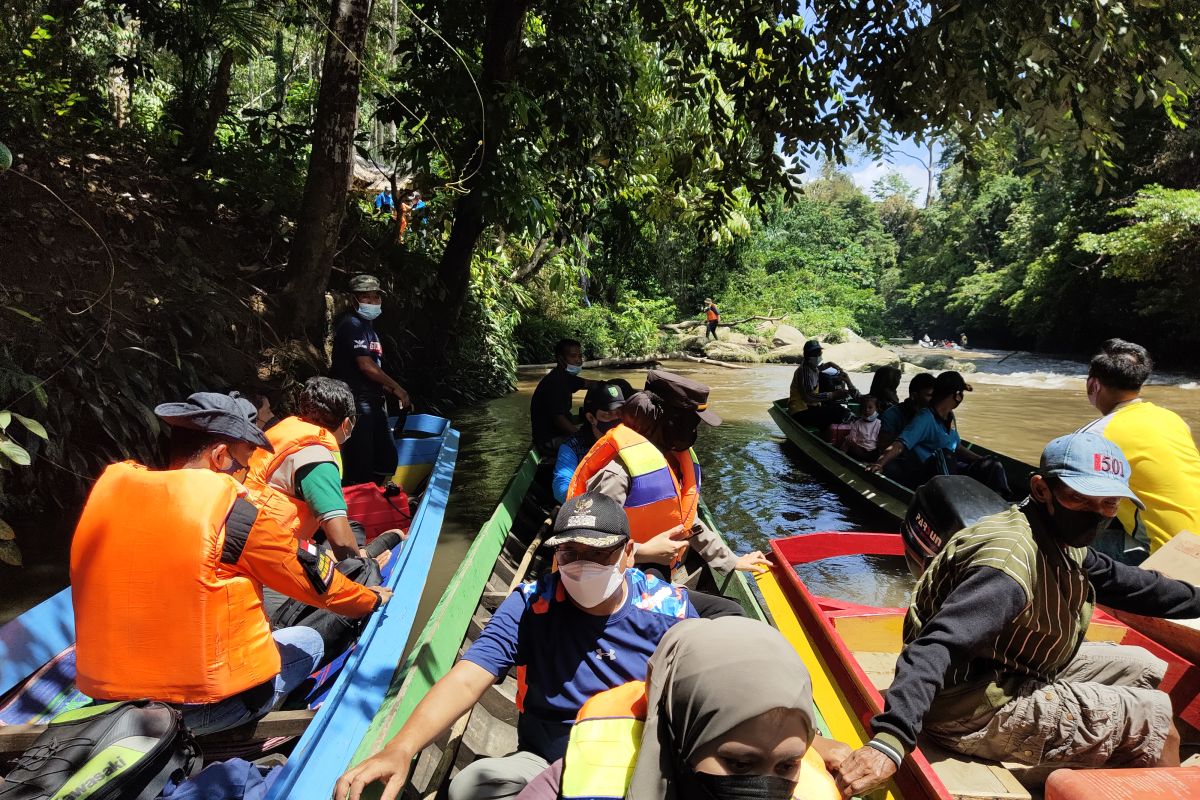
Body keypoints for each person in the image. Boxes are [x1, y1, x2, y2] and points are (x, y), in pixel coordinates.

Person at [837, 432, 1200, 797]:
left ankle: (1096, 761)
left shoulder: (1056, 534)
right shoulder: (1008, 565)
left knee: (1139, 663)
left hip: (1006, 668)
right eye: (1079, 498)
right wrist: (891, 739)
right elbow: (936, 646)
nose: (1095, 513)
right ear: (1042, 489)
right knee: (1157, 718)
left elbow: (1130, 584)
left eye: (1109, 504)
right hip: (966, 709)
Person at [334, 492, 699, 800]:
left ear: (629, 553)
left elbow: (699, 702)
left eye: (599, 553)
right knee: (468, 786)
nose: (582, 565)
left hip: (635, 757)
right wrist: (401, 747)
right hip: (546, 756)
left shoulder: (670, 611)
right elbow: (467, 678)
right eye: (569, 554)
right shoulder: (532, 604)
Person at [70, 393, 389, 736]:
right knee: (308, 641)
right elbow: (316, 582)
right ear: (221, 456)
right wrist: (371, 599)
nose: (247, 473)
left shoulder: (112, 498)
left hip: (109, 695)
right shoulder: (235, 515)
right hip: (200, 708)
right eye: (244, 461)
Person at [515, 617, 847, 800]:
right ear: (679, 733)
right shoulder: (575, 778)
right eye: (739, 764)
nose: (765, 786)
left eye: (788, 765)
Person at [568, 371, 771, 617]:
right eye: (691, 423)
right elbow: (588, 546)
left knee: (728, 609)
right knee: (730, 611)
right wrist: (644, 551)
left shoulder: (665, 459)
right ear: (668, 422)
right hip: (613, 584)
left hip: (648, 569)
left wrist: (730, 560)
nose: (695, 431)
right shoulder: (618, 473)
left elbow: (686, 520)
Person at [246, 376, 400, 562]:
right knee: (375, 541)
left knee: (354, 528)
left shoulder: (284, 432)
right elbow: (342, 543)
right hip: (269, 554)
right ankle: (365, 559)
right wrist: (361, 567)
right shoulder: (316, 458)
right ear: (346, 423)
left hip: (258, 533)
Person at [1078, 338, 1200, 552]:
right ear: (1139, 384)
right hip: (1194, 544)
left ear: (1093, 385)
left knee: (1064, 543)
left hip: (1171, 559)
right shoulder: (1173, 420)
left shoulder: (1096, 435)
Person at [868, 371, 1009, 496]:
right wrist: (880, 464)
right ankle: (955, 501)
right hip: (927, 477)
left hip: (949, 470)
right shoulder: (924, 418)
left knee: (992, 464)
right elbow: (899, 445)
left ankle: (1002, 502)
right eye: (961, 394)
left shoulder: (950, 416)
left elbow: (957, 447)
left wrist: (982, 460)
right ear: (957, 396)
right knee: (944, 455)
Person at [331, 274, 411, 486]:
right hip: (357, 403)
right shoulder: (352, 325)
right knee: (361, 462)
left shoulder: (369, 330)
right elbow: (365, 366)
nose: (373, 302)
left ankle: (378, 496)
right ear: (353, 300)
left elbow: (373, 370)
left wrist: (391, 390)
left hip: (374, 401)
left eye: (376, 297)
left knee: (386, 459)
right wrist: (398, 388)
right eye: (366, 298)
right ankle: (361, 505)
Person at [553, 381, 626, 504]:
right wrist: (597, 501)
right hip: (592, 506)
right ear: (591, 418)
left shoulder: (630, 440)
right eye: (607, 414)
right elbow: (561, 490)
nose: (615, 419)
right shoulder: (572, 447)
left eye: (619, 413)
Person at [529, 338, 599, 456]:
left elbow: (591, 384)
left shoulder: (566, 378)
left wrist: (616, 386)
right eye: (573, 356)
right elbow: (559, 419)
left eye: (580, 356)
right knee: (596, 447)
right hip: (549, 441)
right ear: (561, 359)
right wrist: (581, 436)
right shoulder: (557, 382)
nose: (578, 360)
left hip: (555, 436)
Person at [787, 340, 855, 429]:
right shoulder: (804, 371)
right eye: (815, 354)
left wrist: (830, 364)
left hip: (810, 407)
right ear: (807, 356)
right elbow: (808, 397)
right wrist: (833, 394)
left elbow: (820, 368)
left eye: (819, 353)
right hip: (800, 412)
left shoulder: (812, 367)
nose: (818, 356)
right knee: (838, 412)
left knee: (835, 407)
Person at [877, 372, 935, 452]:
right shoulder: (891, 415)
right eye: (929, 395)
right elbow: (883, 445)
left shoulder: (938, 414)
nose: (934, 399)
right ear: (914, 396)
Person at [840, 395, 881, 462]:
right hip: (858, 449)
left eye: (870, 407)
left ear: (876, 408)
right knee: (848, 440)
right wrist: (850, 440)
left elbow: (880, 442)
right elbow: (852, 438)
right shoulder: (857, 423)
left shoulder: (879, 424)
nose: (867, 410)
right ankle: (841, 457)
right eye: (864, 407)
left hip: (872, 452)